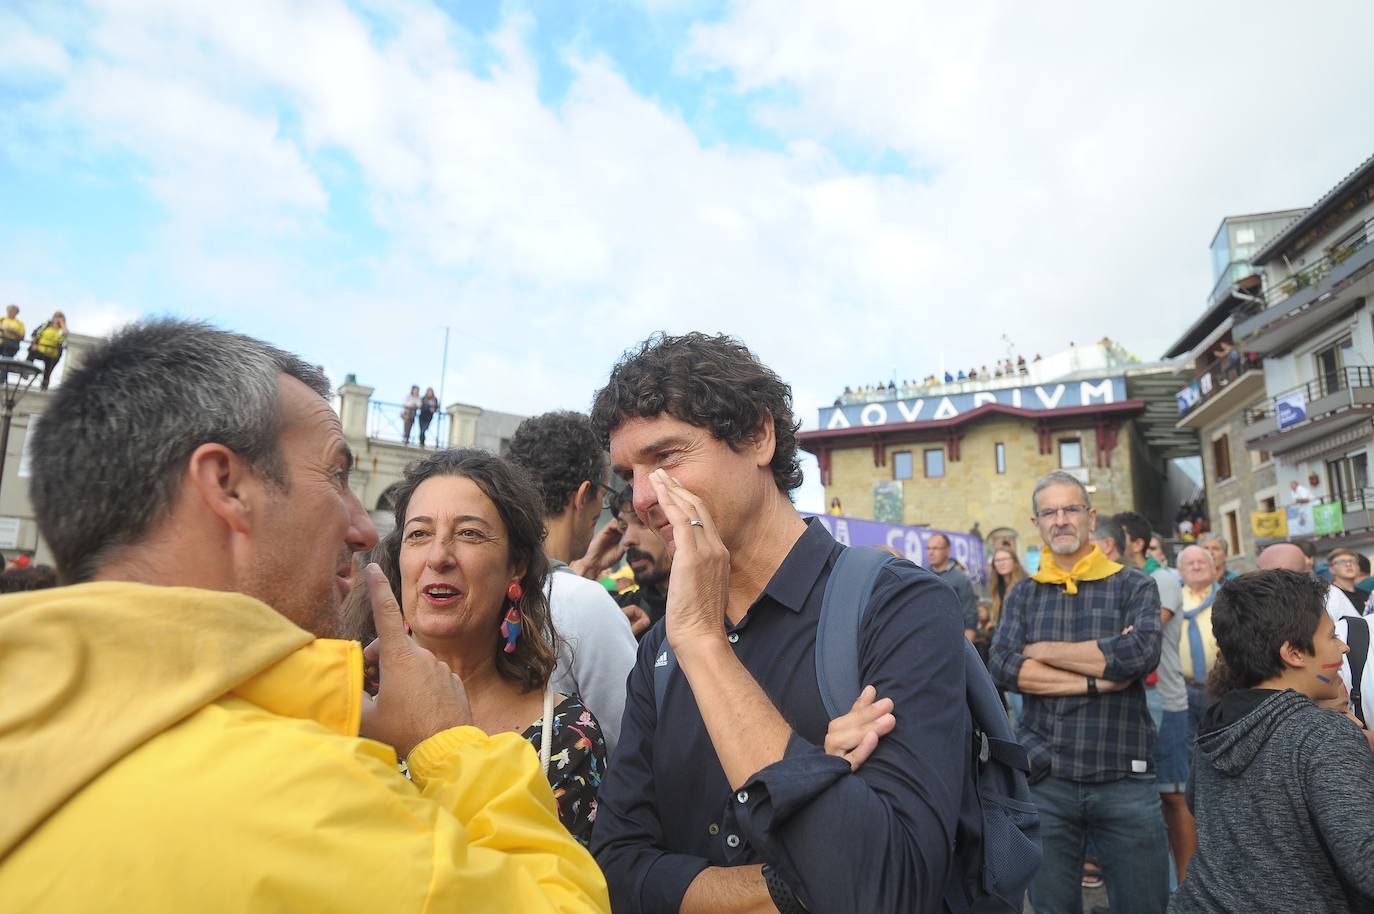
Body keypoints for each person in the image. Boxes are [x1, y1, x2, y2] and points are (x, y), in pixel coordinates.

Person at [0, 319, 609, 913]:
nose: (363, 527)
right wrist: (452, 749)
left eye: (470, 534)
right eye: (336, 476)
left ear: (517, 568)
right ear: (225, 486)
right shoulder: (301, 792)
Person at [590, 332, 975, 914]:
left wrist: (705, 645)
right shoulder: (663, 650)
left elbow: (885, 890)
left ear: (757, 436)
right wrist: (805, 848)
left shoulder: (897, 606)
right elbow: (618, 870)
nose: (644, 497)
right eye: (629, 474)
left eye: (666, 458)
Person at [381, 449, 608, 845]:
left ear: (516, 564)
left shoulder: (566, 734)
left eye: (469, 533)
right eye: (418, 534)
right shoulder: (343, 701)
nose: (438, 557)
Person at [989, 470, 1167, 914]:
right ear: (1037, 523)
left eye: (1070, 509)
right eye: (1049, 512)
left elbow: (1138, 654)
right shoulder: (1025, 595)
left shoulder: (1135, 585)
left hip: (1125, 776)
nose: (1061, 519)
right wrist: (1094, 677)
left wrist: (1044, 651)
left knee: (1144, 905)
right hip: (1047, 778)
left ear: (1091, 517)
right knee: (1051, 908)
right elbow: (1004, 664)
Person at [1168, 570, 1374, 914]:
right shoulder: (1322, 735)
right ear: (1293, 653)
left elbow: (1196, 803)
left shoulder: (1218, 723)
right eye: (1332, 636)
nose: (1344, 646)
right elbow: (1366, 864)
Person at [506, 410, 639, 759]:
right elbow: (632, 740)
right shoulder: (586, 604)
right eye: (606, 490)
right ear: (584, 494)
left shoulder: (491, 589)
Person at [1113, 512, 1196, 881]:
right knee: (1143, 799)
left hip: (1166, 697)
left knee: (1174, 797)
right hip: (1133, 700)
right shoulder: (1121, 579)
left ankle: (1188, 885)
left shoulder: (1161, 578)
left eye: (1117, 538)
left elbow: (1136, 634)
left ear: (1136, 543)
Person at [608, 486, 671, 639]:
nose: (627, 540)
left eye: (643, 522)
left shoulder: (724, 609)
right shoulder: (623, 613)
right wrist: (588, 565)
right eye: (623, 528)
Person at [1177, 545, 1219, 731]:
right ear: (1180, 570)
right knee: (1187, 751)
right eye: (1190, 563)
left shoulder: (1227, 597)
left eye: (1201, 562)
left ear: (1213, 567)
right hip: (1181, 690)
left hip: (1220, 688)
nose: (1196, 567)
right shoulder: (1171, 601)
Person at [926, 531, 978, 641]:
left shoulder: (960, 579)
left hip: (953, 639)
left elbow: (970, 617)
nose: (931, 552)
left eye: (935, 548)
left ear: (947, 551)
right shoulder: (922, 575)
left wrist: (965, 648)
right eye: (928, 548)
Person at [986, 546, 1026, 628]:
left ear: (1015, 562)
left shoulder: (1025, 585)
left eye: (1005, 559)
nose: (1001, 563)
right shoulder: (996, 585)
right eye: (997, 560)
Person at [27, 310, 67, 391]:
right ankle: (26, 370)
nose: (57, 319)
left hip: (52, 353)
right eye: (56, 316)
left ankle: (44, 385)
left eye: (60, 317)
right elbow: (35, 333)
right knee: (32, 352)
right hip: (40, 349)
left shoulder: (61, 330)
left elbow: (65, 335)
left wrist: (62, 324)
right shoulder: (46, 325)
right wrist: (34, 344)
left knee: (48, 370)